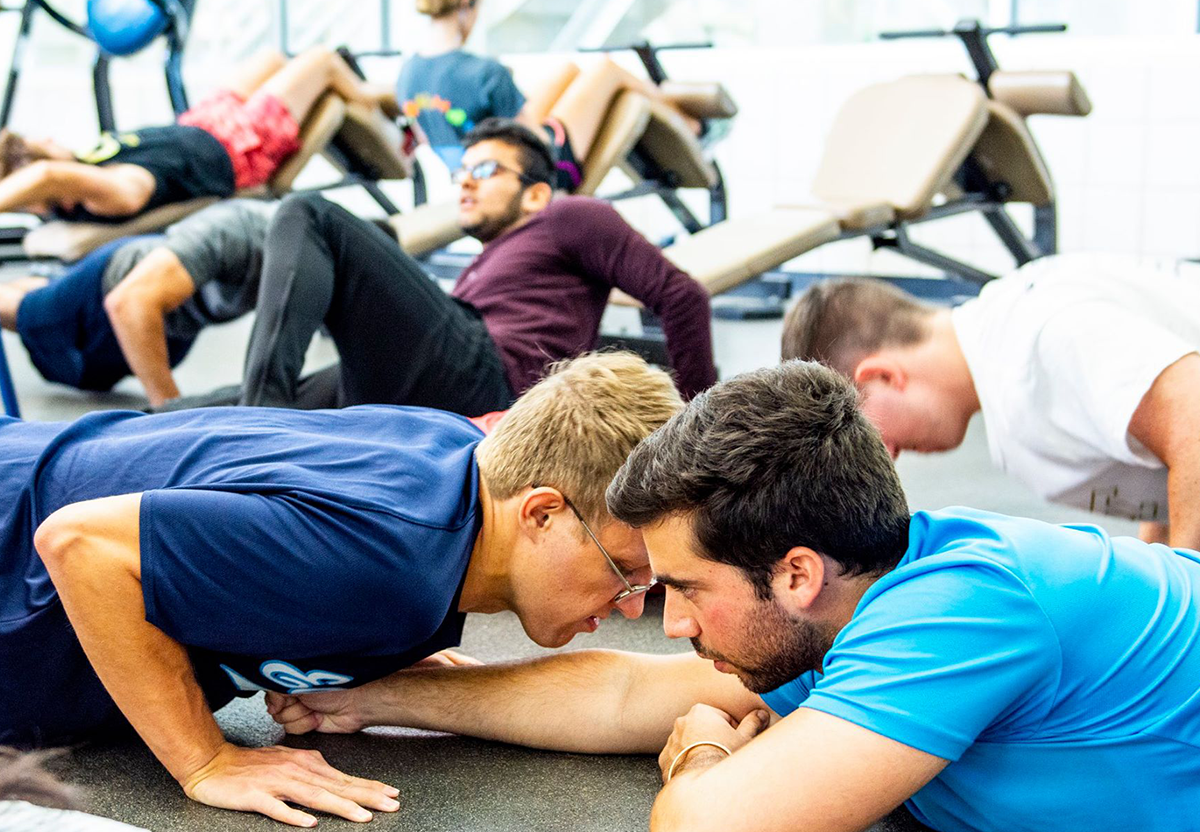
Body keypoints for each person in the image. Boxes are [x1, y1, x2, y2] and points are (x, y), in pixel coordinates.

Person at [269, 360, 1200, 832]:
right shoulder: (848, 590)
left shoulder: (960, 615)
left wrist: (707, 754)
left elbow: (713, 826)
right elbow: (623, 694)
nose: (667, 626)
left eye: (684, 588)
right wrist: (382, 696)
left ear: (795, 572)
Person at [0, 350, 680, 826]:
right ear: (541, 512)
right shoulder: (393, 563)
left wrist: (361, 649)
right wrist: (205, 761)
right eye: (625, 574)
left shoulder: (453, 461)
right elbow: (82, 546)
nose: (628, 608)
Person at [172, 117, 715, 413]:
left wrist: (691, 431)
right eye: (461, 171)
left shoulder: (571, 215)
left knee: (309, 213)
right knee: (213, 406)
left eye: (485, 168)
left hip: (489, 374)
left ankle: (256, 423)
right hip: (445, 370)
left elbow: (681, 296)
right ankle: (153, 431)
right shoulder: (489, 257)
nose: (466, 180)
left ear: (535, 194)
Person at [780, 255, 1200, 550]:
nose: (887, 457)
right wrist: (1158, 567)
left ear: (881, 376)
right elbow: (1164, 439)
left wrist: (1184, 609)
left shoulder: (1039, 342)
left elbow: (1193, 421)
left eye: (866, 433)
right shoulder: (1009, 324)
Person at [0, 47, 390, 222]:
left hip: (205, 123)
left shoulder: (88, 164)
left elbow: (49, 174)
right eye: (43, 144)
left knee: (272, 57)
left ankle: (355, 92)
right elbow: (48, 177)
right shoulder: (110, 193)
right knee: (321, 60)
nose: (51, 137)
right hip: (240, 146)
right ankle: (380, 105)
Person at [397, 0, 699, 189]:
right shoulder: (486, 73)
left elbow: (426, 138)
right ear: (466, 6)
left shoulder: (407, 74)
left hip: (478, 175)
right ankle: (687, 121)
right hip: (539, 176)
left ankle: (676, 111)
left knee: (567, 69)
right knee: (607, 68)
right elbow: (537, 145)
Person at [0, 200, 272, 407]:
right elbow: (129, 302)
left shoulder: (308, 250)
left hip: (175, 322)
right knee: (26, 317)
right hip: (115, 284)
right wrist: (172, 414)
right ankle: (49, 294)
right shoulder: (237, 228)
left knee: (86, 376)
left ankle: (53, 284)